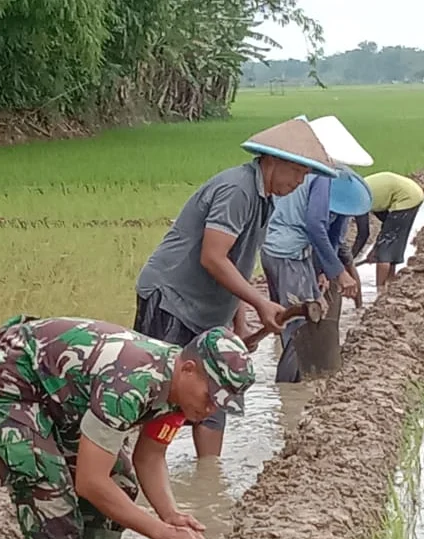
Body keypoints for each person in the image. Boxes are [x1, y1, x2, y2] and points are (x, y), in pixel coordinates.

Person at [0, 315, 256, 539]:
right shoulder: (132, 385)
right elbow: (90, 483)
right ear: (189, 369)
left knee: (121, 481)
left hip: (62, 394)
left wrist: (171, 515)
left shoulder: (181, 396)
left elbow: (150, 457)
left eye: (219, 404)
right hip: (9, 379)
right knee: (49, 495)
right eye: (210, 397)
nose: (210, 410)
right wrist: (162, 534)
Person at [134, 117, 337, 457]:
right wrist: (260, 302)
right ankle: (135, 471)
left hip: (210, 305)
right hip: (173, 298)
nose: (299, 183)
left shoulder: (265, 199)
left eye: (305, 176)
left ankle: (209, 475)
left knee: (216, 390)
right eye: (297, 173)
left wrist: (238, 321)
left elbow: (237, 262)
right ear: (271, 161)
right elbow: (212, 257)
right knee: (160, 391)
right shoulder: (238, 190)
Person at [260, 166, 372, 383]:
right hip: (288, 254)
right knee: (299, 329)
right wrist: (340, 273)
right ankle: (289, 394)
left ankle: (297, 385)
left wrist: (319, 271)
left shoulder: (309, 175)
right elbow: (314, 226)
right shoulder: (323, 178)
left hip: (278, 251)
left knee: (298, 317)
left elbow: (328, 234)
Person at [355, 172, 424, 291]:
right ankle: (390, 287)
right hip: (413, 193)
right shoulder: (367, 194)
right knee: (390, 244)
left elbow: (363, 234)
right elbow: (386, 224)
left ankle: (380, 291)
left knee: (384, 254)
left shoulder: (358, 199)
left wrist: (349, 261)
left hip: (406, 197)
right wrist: (375, 248)